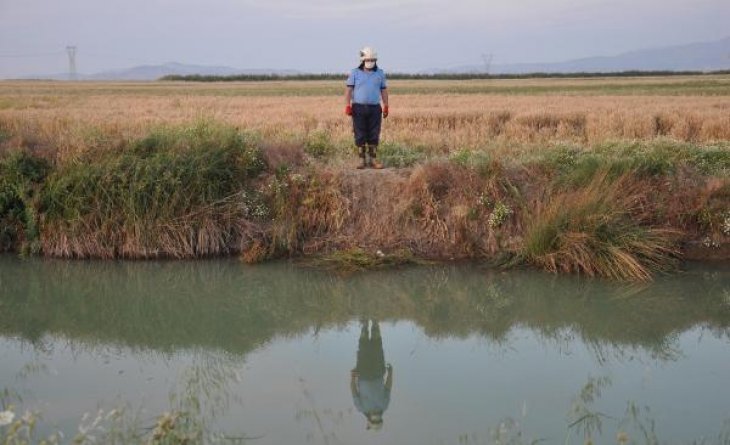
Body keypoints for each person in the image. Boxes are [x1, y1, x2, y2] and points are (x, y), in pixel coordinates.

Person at [344, 46, 389, 169]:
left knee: (374, 133)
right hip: (358, 108)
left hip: (375, 108)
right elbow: (348, 90)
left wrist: (386, 106)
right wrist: (347, 105)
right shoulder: (355, 72)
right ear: (362, 60)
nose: (370, 62)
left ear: (375, 60)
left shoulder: (380, 73)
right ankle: (362, 161)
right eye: (368, 60)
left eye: (372, 60)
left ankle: (373, 160)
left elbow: (384, 90)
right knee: (360, 133)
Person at [350, 319, 393, 431]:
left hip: (377, 371)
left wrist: (391, 373)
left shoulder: (384, 405)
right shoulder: (361, 408)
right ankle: (367, 323)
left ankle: (373, 322)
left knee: (376, 346)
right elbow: (354, 391)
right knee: (365, 347)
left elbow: (388, 386)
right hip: (365, 373)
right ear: (370, 420)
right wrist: (352, 377)